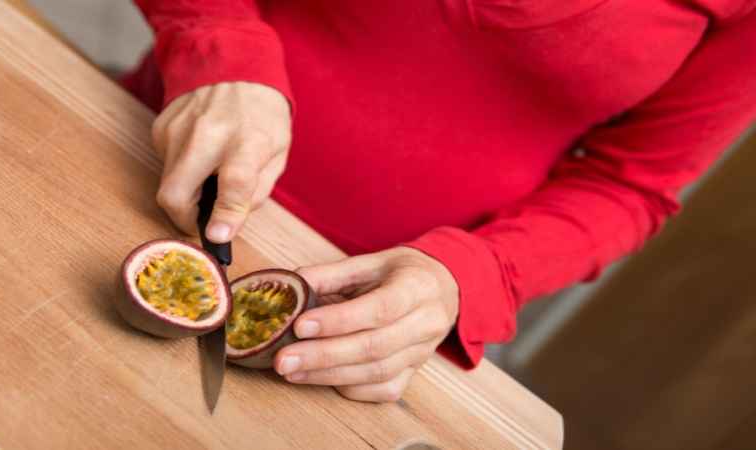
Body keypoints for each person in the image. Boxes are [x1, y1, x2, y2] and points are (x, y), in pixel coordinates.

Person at [122, 0, 756, 402]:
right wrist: (216, 36)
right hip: (145, 172)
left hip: (372, 330)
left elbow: (631, 186)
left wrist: (476, 277)